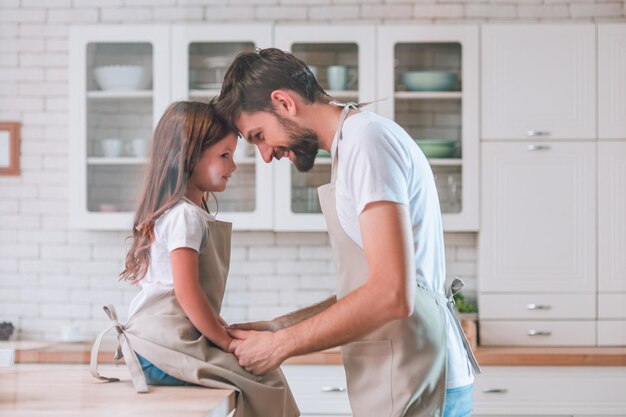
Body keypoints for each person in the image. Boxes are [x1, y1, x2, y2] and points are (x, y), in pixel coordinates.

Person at [215, 48, 480, 417]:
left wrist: (281, 346)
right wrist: (278, 327)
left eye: (259, 135)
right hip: (406, 375)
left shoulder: (366, 142)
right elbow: (366, 289)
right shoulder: (353, 144)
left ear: (283, 102)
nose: (265, 154)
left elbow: (392, 294)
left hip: (423, 379)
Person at [90, 100, 299, 417]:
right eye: (224, 156)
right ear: (188, 158)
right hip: (165, 348)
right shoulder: (185, 216)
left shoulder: (182, 213)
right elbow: (188, 293)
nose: (233, 166)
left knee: (263, 373)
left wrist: (221, 330)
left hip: (159, 345)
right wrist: (226, 343)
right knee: (265, 377)